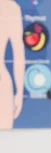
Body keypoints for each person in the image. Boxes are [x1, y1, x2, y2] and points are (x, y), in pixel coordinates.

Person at [0, 0, 25, 129]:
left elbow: (19, 55)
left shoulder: (10, 8)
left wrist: (20, 92)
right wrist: (19, 93)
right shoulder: (11, 8)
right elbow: (19, 55)